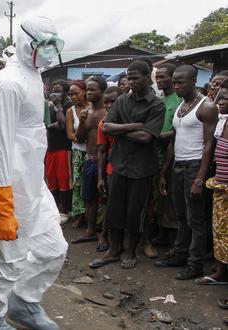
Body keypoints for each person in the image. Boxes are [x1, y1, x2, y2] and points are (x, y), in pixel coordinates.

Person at [0, 16, 67, 330]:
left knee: (53, 248)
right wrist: (3, 202)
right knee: (8, 256)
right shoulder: (6, 83)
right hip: (6, 181)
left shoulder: (33, 74)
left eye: (54, 45)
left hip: (31, 179)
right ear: (26, 42)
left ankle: (24, 302)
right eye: (44, 45)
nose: (50, 53)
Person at [90, 60, 165, 270]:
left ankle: (130, 251)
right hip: (119, 164)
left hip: (141, 169)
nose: (131, 82)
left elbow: (146, 138)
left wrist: (120, 129)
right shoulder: (122, 100)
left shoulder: (156, 105)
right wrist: (133, 126)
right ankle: (113, 251)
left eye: (135, 78)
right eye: (129, 78)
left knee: (135, 213)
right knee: (114, 211)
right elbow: (106, 129)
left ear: (147, 76)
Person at [156, 65, 218, 280]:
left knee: (196, 219)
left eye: (181, 82)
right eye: (175, 82)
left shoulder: (207, 107)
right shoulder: (182, 105)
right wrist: (165, 172)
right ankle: (180, 255)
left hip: (195, 166)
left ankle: (195, 264)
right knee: (181, 216)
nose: (176, 86)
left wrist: (200, 179)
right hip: (178, 166)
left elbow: (209, 145)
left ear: (194, 80)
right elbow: (175, 139)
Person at [196, 80, 228, 285]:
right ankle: (220, 272)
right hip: (219, 186)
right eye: (220, 97)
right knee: (220, 231)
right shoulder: (222, 121)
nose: (222, 101)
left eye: (227, 98)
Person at [72, 76, 107, 246]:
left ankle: (104, 234)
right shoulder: (87, 113)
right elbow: (79, 138)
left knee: (105, 199)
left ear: (102, 91)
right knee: (90, 199)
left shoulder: (108, 112)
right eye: (88, 89)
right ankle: (90, 231)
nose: (90, 92)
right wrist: (82, 122)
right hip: (89, 159)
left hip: (105, 161)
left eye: (94, 89)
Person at [151, 63, 182, 249]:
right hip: (157, 154)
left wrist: (161, 135)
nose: (159, 80)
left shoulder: (178, 101)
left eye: (163, 77)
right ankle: (161, 234)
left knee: (170, 198)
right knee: (159, 197)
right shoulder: (160, 99)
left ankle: (173, 241)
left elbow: (178, 130)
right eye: (158, 77)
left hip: (173, 154)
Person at [96, 86, 124, 252]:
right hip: (112, 169)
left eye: (112, 101)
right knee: (110, 205)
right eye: (105, 102)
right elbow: (102, 150)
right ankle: (105, 235)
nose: (108, 105)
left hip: (131, 168)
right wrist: (100, 177)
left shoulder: (129, 118)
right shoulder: (103, 123)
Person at [46, 80, 73, 222]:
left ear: (65, 93)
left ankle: (65, 209)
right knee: (51, 177)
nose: (55, 93)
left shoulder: (68, 105)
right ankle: (54, 207)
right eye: (53, 90)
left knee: (64, 179)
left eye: (59, 91)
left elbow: (62, 125)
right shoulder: (50, 106)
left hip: (64, 147)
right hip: (51, 147)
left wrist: (58, 105)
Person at [65, 80, 89, 228]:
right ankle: (79, 214)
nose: (73, 97)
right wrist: (80, 137)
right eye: (71, 94)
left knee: (90, 184)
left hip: (93, 151)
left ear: (84, 91)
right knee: (78, 183)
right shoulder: (70, 111)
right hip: (78, 150)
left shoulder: (93, 108)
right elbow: (70, 135)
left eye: (76, 93)